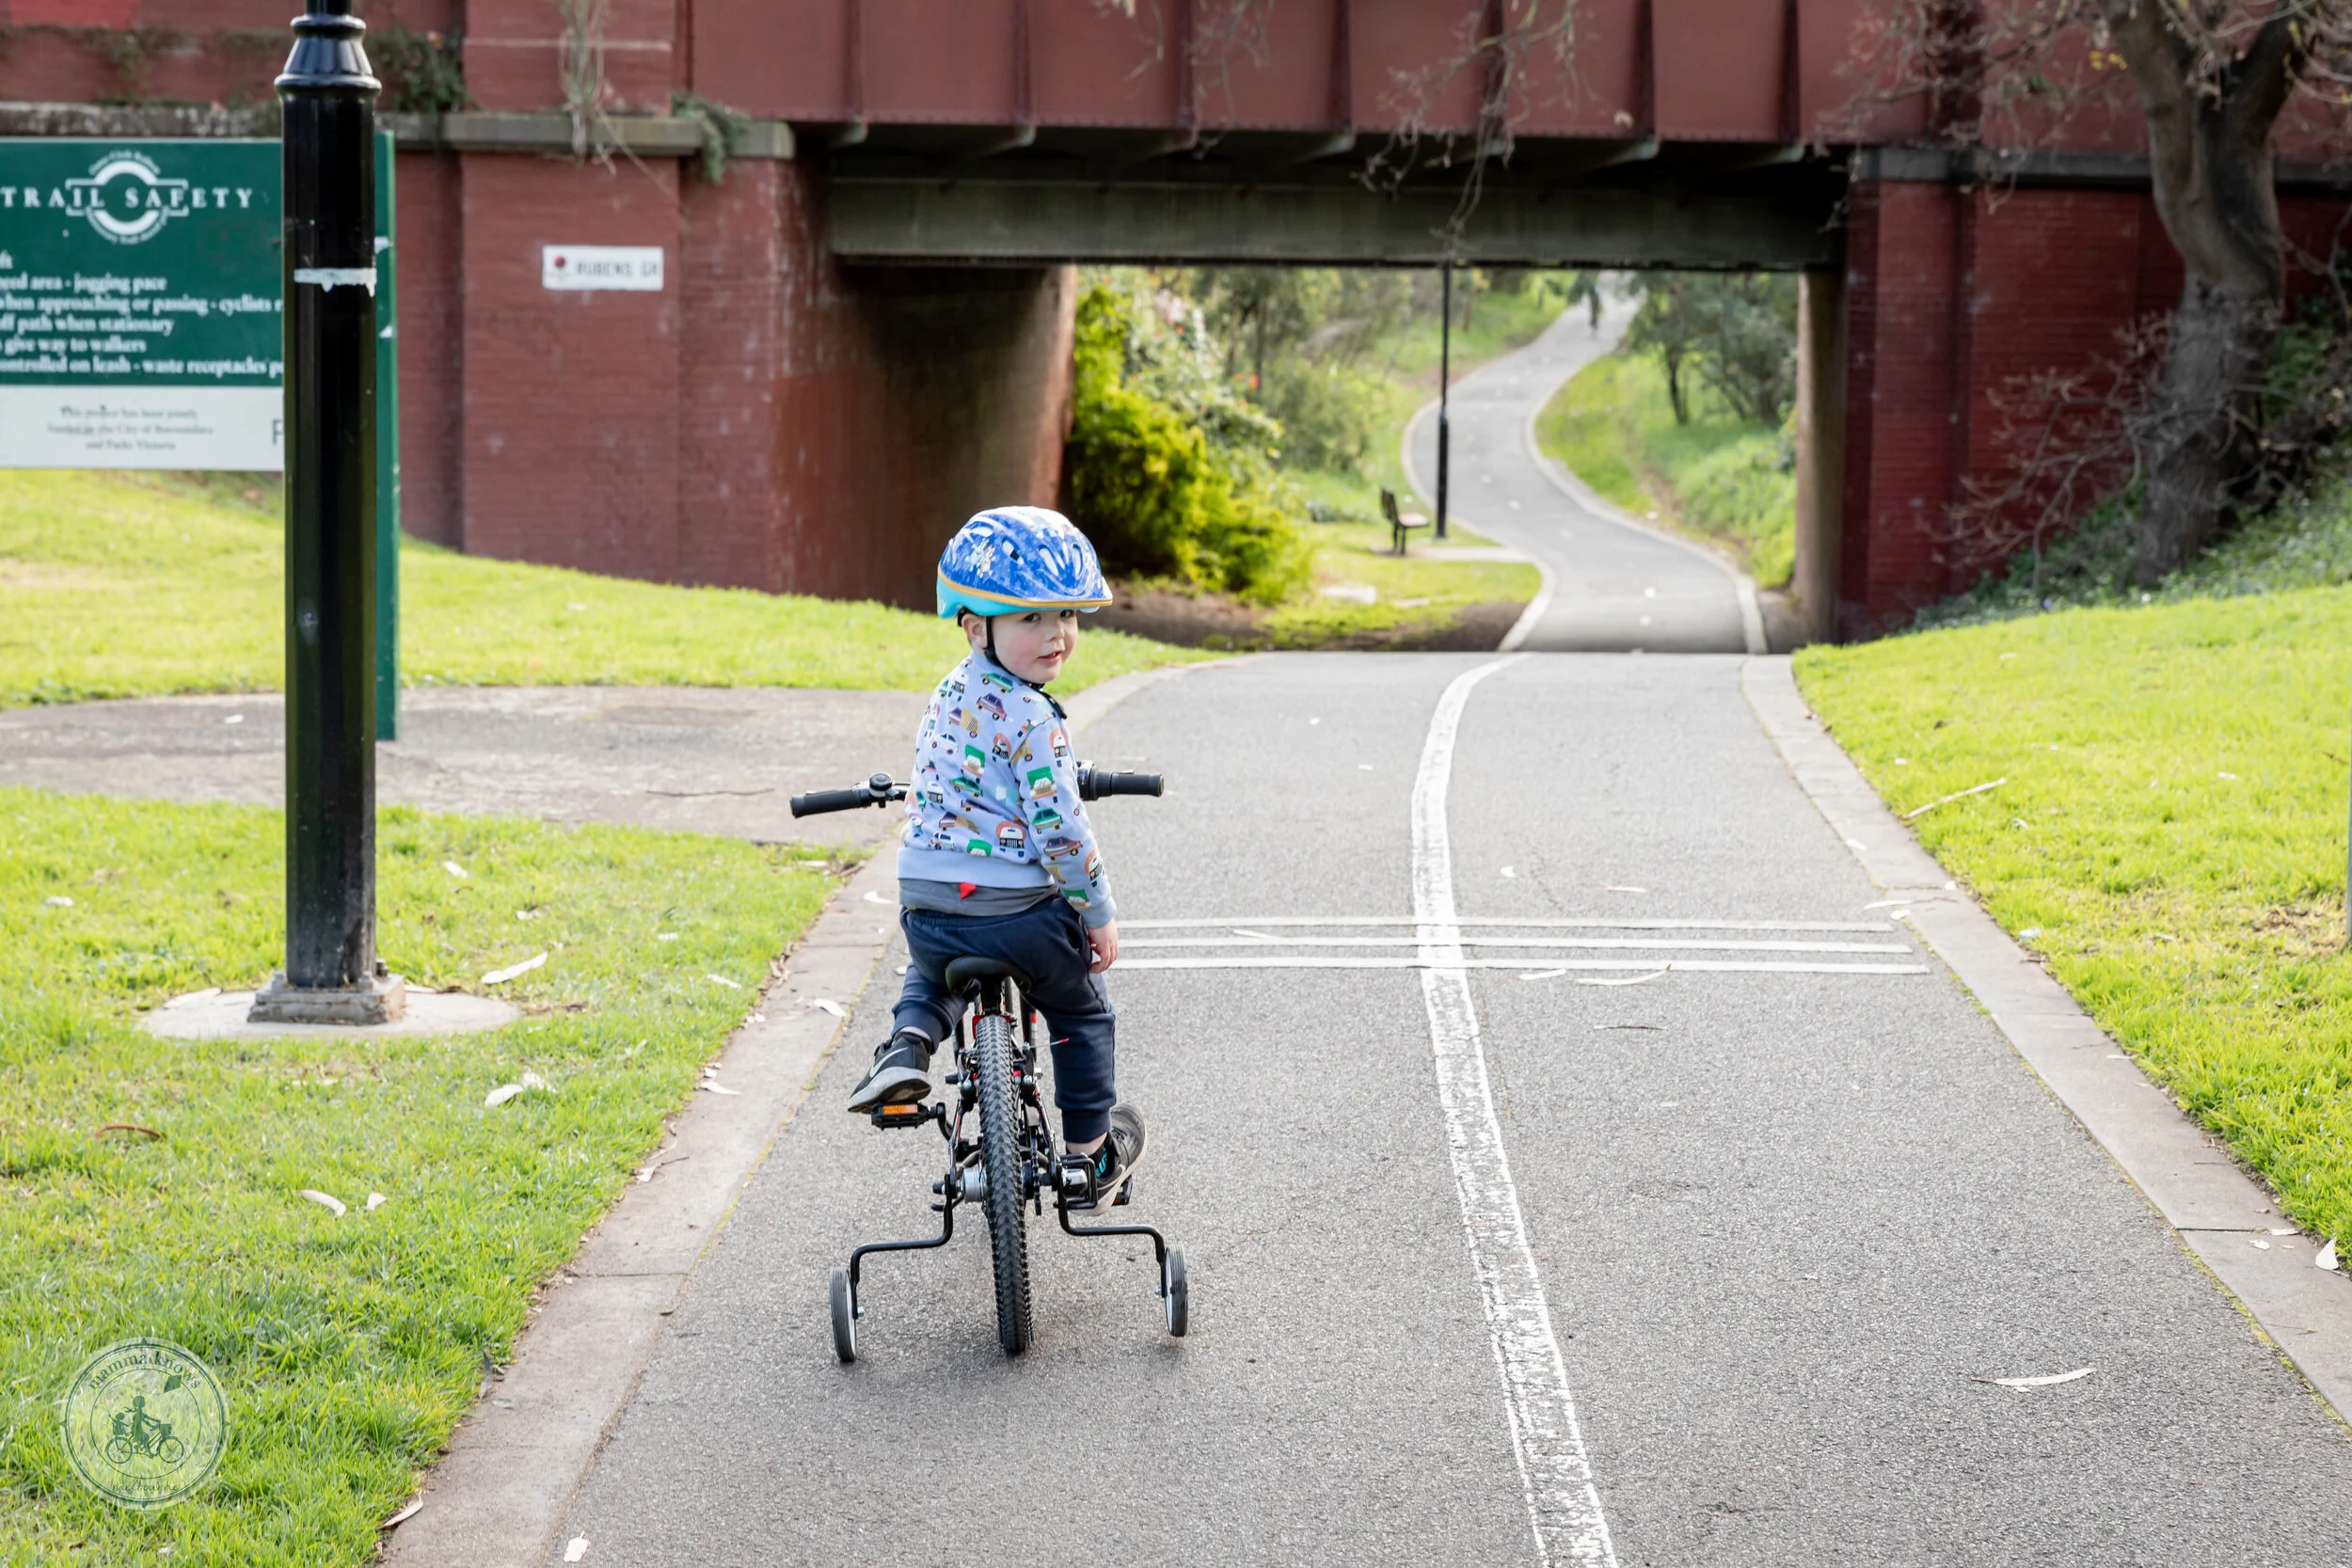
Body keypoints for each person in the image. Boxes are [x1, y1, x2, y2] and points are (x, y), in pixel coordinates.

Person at [846, 506, 1147, 1202]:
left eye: (1066, 614)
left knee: (933, 971)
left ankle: (906, 1046)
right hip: (1019, 917)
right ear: (975, 625)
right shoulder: (1034, 718)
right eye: (1031, 618)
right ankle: (1089, 1158)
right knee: (1081, 1009)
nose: (1057, 634)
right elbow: (1062, 833)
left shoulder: (946, 694)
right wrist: (1097, 912)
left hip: (926, 902)